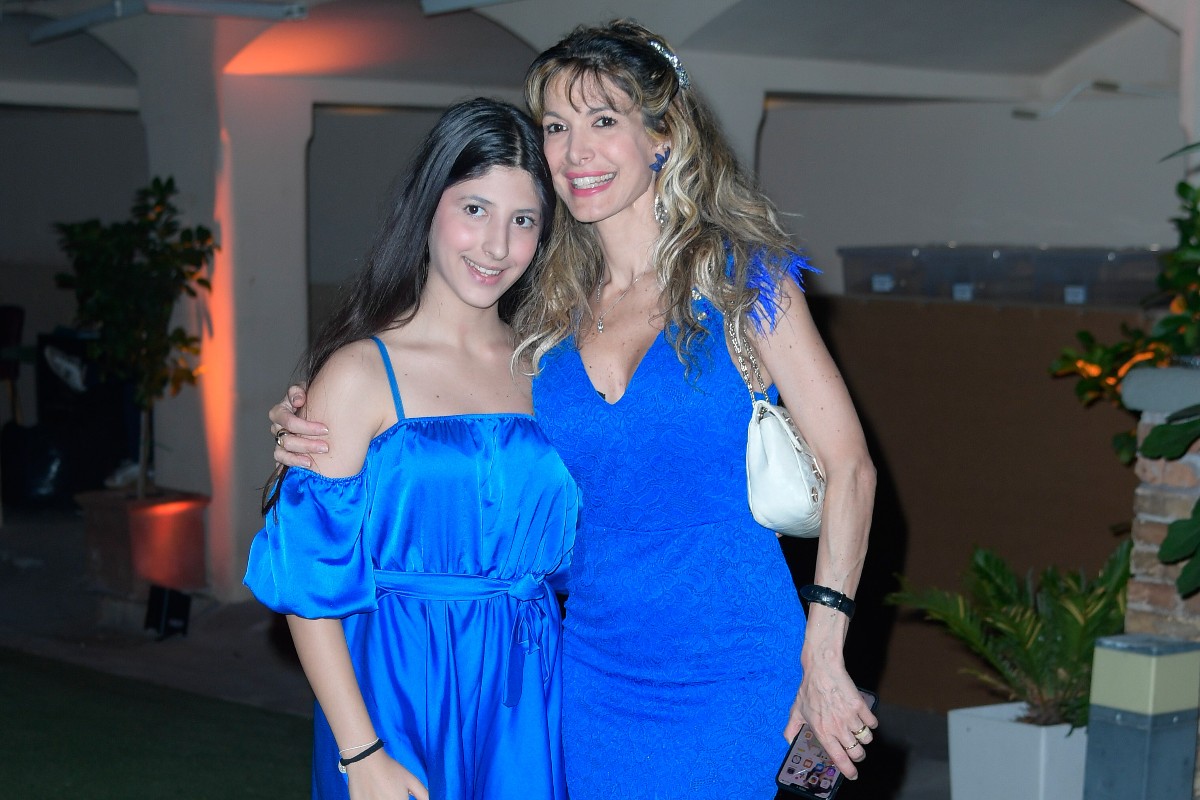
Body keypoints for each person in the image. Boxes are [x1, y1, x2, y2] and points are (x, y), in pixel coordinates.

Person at [271, 20, 877, 799]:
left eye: (603, 120)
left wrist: (824, 650)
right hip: (586, 681)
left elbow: (850, 467)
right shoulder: (545, 320)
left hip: (740, 671)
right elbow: (456, 425)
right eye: (556, 126)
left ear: (662, 136)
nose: (575, 150)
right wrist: (315, 424)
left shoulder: (743, 282)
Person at [245, 98, 579, 800]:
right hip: (396, 687)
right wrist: (361, 751)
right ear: (428, 207)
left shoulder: (554, 369)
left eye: (523, 220)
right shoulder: (358, 374)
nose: (497, 246)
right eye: (475, 209)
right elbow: (307, 583)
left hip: (529, 689)